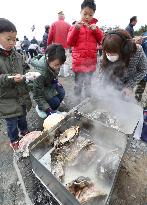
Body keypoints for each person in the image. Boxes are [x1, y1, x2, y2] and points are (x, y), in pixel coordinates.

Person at [0, 18, 32, 151]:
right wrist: (11, 78)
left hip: (21, 95)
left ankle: (24, 132)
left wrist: (29, 74)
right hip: (7, 98)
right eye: (9, 39)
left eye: (14, 39)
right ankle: (14, 141)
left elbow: (25, 67)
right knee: (12, 123)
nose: (13, 43)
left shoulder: (17, 55)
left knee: (22, 117)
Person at [67, 0, 103, 101]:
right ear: (80, 12)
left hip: (90, 62)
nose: (87, 17)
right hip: (78, 63)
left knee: (88, 84)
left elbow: (102, 41)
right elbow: (70, 42)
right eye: (85, 14)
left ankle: (88, 100)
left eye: (90, 15)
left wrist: (97, 30)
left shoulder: (95, 28)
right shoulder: (74, 26)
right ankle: (77, 101)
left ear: (93, 14)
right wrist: (76, 29)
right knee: (78, 84)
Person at [101, 29, 147, 98]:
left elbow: (143, 70)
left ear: (124, 48)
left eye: (113, 53)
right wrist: (102, 90)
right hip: (116, 82)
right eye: (107, 52)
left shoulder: (137, 51)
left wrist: (129, 85)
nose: (109, 56)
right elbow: (102, 74)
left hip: (135, 80)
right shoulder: (106, 52)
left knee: (134, 101)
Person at [31, 44, 66, 118]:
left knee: (61, 92)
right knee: (55, 101)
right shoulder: (39, 73)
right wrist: (48, 110)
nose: (58, 67)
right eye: (56, 65)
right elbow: (37, 95)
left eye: (60, 64)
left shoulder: (54, 63)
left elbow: (54, 74)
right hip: (40, 88)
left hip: (48, 83)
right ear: (48, 59)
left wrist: (55, 81)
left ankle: (53, 108)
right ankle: (41, 108)